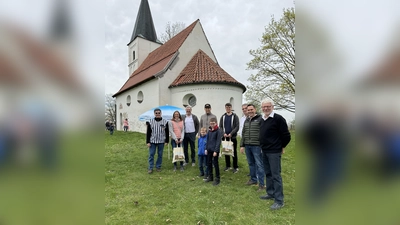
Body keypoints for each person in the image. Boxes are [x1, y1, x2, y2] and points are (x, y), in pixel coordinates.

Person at [258, 98, 291, 210]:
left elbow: (286, 136)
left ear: (272, 107)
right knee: (268, 173)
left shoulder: (278, 119)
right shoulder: (262, 119)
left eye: (268, 106)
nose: (266, 108)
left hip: (274, 152)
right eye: (264, 107)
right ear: (261, 108)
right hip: (264, 151)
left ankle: (279, 200)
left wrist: (281, 146)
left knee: (276, 175)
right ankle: (270, 193)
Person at [239, 104, 265, 191]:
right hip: (247, 145)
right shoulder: (246, 120)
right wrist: (242, 145)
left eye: (251, 109)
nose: (249, 111)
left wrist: (262, 145)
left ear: (255, 109)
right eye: (248, 110)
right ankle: (253, 180)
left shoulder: (260, 119)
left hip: (257, 146)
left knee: (259, 164)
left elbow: (263, 133)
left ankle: (262, 184)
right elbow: (243, 133)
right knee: (251, 163)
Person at [146, 108, 169, 174]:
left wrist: (167, 141)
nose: (157, 114)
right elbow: (148, 132)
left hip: (161, 141)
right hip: (152, 141)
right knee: (151, 154)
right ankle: (150, 167)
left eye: (159, 113)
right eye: (156, 113)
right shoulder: (151, 121)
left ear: (161, 113)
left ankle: (158, 166)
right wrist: (147, 142)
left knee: (160, 154)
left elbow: (167, 132)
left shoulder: (165, 122)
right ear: (154, 114)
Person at [219, 103, 240, 173]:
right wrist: (223, 133)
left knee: (233, 152)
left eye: (229, 107)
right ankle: (228, 166)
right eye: (227, 107)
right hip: (225, 137)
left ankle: (235, 166)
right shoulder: (223, 116)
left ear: (231, 108)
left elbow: (237, 126)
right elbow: (220, 126)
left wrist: (231, 133)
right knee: (226, 151)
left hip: (232, 137)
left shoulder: (235, 116)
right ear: (225, 108)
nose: (228, 108)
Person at [204, 117, 222, 186]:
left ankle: (217, 178)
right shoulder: (209, 131)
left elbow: (218, 142)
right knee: (209, 163)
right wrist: (206, 148)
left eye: (213, 124)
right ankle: (210, 176)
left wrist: (216, 151)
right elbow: (207, 140)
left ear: (216, 123)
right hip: (209, 150)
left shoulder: (218, 131)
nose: (212, 125)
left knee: (215, 164)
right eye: (211, 124)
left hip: (214, 151)